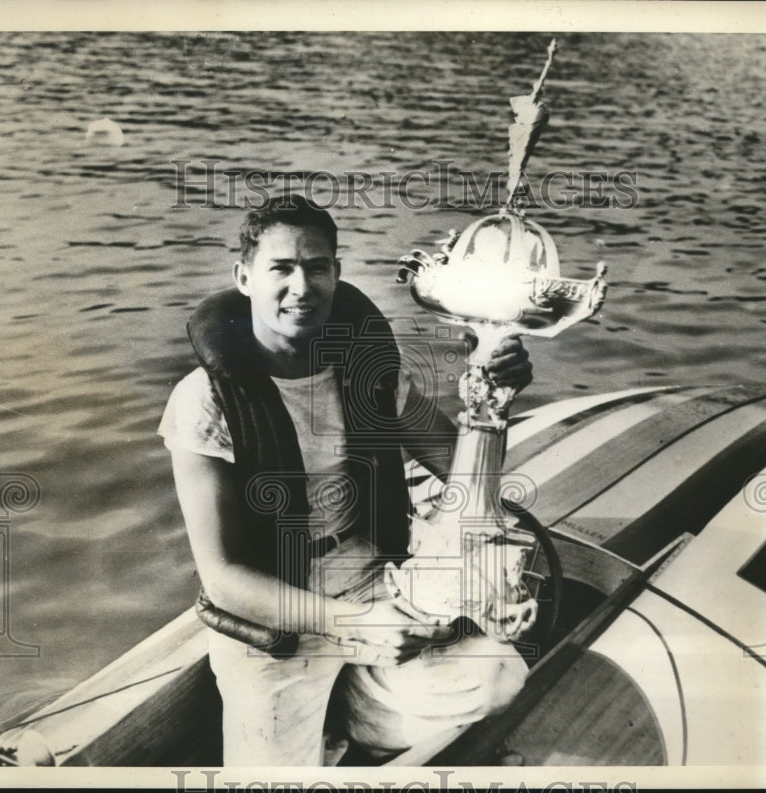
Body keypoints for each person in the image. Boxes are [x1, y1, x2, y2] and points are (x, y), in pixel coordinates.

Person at [158, 194, 533, 766]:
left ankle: (357, 717)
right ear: (244, 277)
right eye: (281, 268)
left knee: (497, 678)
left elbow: (467, 480)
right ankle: (329, 716)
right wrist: (354, 626)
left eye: (317, 267)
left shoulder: (370, 371)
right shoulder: (204, 401)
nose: (301, 286)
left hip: (370, 581)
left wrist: (491, 399)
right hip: (274, 612)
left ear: (337, 273)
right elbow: (224, 578)